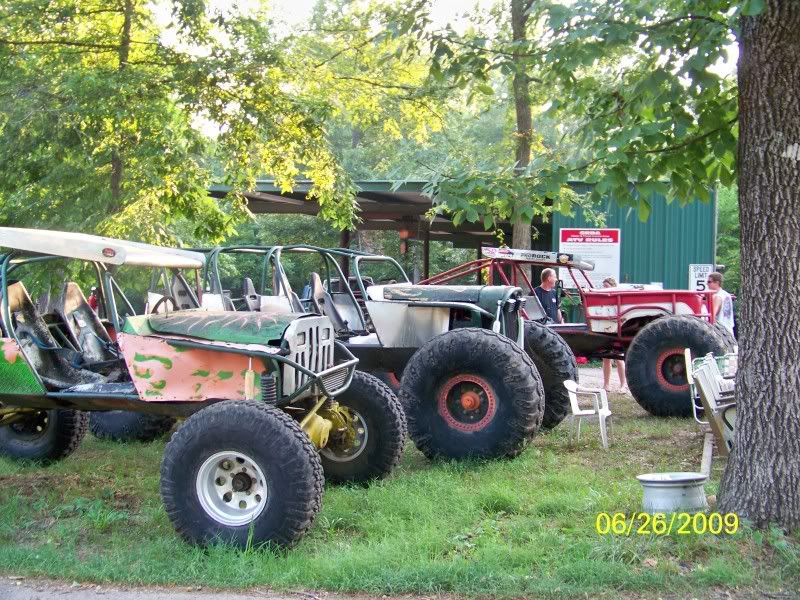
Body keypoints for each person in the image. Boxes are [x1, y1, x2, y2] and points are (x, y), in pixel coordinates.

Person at [601, 276, 628, 393]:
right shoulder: (602, 298)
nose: (604, 289)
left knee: (619, 358)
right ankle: (606, 385)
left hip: (616, 330)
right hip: (605, 329)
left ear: (612, 286)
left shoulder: (618, 297)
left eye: (606, 286)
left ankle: (623, 385)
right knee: (606, 358)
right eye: (603, 287)